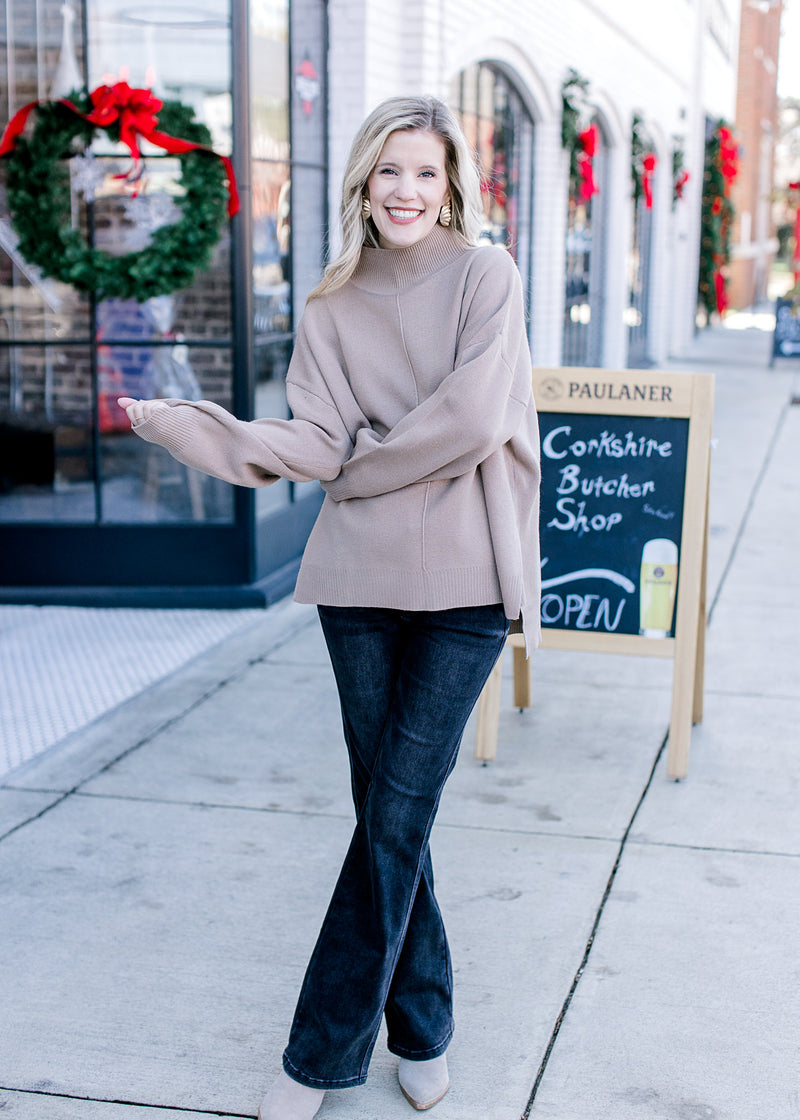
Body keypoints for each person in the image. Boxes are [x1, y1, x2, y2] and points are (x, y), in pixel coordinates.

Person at [119, 94, 541, 1120]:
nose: (405, 190)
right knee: (391, 817)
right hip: (356, 585)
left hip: (468, 585)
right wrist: (196, 428)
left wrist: (360, 466)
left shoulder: (487, 276)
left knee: (397, 811)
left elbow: (473, 417)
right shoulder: (330, 303)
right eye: (388, 171)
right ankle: (425, 1022)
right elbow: (313, 441)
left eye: (425, 173)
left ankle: (316, 1057)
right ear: (362, 180)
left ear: (451, 187)